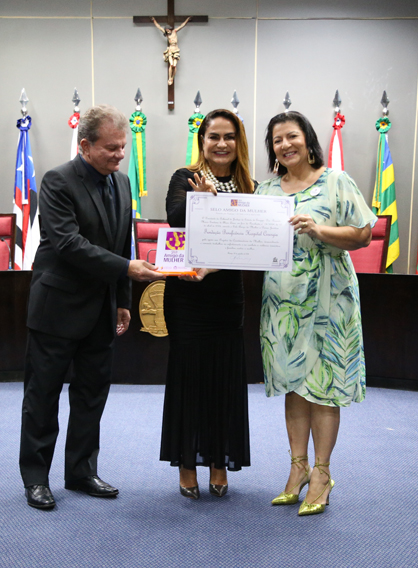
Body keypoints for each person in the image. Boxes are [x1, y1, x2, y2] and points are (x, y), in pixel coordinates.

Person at [19, 105, 164, 511]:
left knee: (91, 396)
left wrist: (123, 300)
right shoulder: (57, 181)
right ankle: (36, 478)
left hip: (101, 309)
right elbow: (68, 244)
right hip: (57, 309)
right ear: (85, 145)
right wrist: (127, 269)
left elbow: (121, 243)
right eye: (111, 148)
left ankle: (81, 471)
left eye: (123, 147)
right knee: (43, 396)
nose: (120, 154)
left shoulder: (122, 183)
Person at [255, 111, 375, 516]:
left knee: (323, 386)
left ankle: (322, 473)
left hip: (329, 297)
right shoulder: (266, 191)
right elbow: (248, 241)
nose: (285, 145)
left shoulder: (336, 181)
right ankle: (298, 468)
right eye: (277, 140)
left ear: (307, 140)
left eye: (292, 136)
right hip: (282, 302)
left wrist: (319, 230)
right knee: (293, 384)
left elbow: (363, 234)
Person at [160, 108, 254, 499]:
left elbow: (251, 241)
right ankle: (186, 464)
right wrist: (200, 202)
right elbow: (175, 218)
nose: (221, 143)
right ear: (202, 141)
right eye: (213, 136)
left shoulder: (250, 187)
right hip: (188, 297)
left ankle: (219, 463)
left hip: (226, 297)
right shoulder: (185, 177)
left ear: (238, 141)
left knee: (223, 381)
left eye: (229, 136)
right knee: (189, 378)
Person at [152, 16, 191, 85]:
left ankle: (172, 78)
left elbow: (182, 26)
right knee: (171, 64)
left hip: (176, 49)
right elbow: (159, 27)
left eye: (168, 29)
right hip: (170, 49)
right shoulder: (167, 35)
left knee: (174, 66)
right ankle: (169, 78)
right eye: (166, 30)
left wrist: (187, 20)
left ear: (169, 29)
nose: (167, 31)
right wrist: (154, 21)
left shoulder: (174, 31)